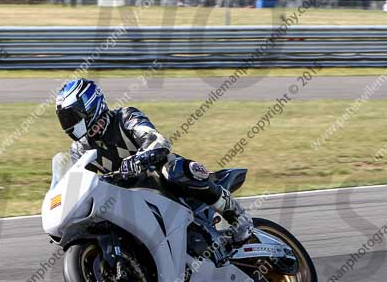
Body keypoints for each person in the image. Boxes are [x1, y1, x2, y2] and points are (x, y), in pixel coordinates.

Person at [55, 78, 253, 245]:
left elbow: (157, 140)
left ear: (88, 107)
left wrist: (140, 158)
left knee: (173, 170)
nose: (69, 123)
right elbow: (75, 182)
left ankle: (238, 217)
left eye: (71, 116)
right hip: (127, 198)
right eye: (64, 118)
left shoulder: (125, 117)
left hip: (158, 179)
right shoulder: (79, 150)